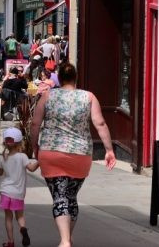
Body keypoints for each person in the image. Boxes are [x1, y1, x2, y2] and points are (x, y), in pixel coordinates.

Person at [30, 62, 116, 247]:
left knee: (60, 195)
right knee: (71, 195)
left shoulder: (47, 95)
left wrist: (34, 146)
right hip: (80, 154)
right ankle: (67, 237)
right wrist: (109, 150)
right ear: (76, 78)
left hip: (51, 152)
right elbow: (100, 123)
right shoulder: (89, 97)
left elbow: (35, 123)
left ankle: (65, 240)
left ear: (59, 78)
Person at [0, 127, 39, 247]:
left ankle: (10, 242)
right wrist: (40, 160)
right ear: (20, 142)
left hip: (5, 191)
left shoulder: (3, 158)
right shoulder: (22, 157)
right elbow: (31, 168)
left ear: (5, 143)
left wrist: (2, 169)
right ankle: (23, 229)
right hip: (18, 193)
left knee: (8, 218)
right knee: (19, 216)